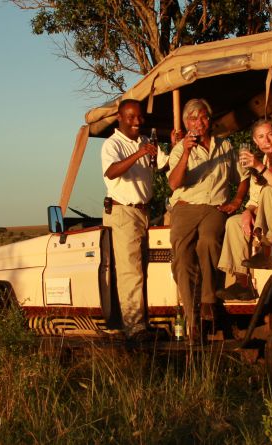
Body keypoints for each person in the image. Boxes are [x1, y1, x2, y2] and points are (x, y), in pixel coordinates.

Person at [167, 98, 248, 329]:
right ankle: (192, 322)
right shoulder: (179, 149)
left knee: (209, 242)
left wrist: (237, 201)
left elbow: (243, 177)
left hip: (215, 207)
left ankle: (208, 300)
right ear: (186, 123)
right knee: (182, 259)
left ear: (209, 120)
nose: (199, 122)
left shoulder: (225, 146)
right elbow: (174, 183)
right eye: (193, 118)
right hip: (185, 206)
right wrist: (185, 152)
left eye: (203, 117)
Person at [216, 119, 272, 300]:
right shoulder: (258, 162)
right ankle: (242, 282)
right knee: (233, 222)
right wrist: (247, 211)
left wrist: (260, 168)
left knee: (270, 190)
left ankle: (264, 250)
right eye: (261, 137)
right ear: (255, 141)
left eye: (270, 134)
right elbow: (254, 200)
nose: (266, 141)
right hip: (263, 217)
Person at [101, 99, 162, 340]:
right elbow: (112, 172)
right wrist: (139, 154)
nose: (137, 121)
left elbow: (163, 164)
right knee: (130, 271)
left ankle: (147, 321)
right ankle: (134, 328)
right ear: (120, 117)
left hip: (145, 210)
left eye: (140, 117)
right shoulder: (112, 144)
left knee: (145, 268)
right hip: (123, 212)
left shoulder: (145, 141)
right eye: (131, 117)